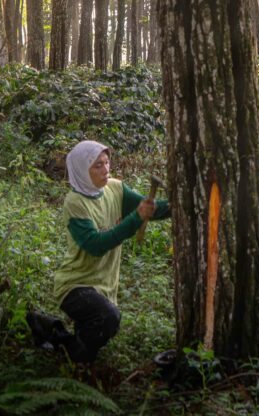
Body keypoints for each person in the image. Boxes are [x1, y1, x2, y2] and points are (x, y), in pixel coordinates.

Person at [27, 140, 170, 364]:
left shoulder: (114, 188)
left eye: (106, 162)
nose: (105, 170)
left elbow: (147, 207)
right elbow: (95, 245)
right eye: (97, 166)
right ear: (82, 171)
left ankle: (53, 331)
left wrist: (181, 202)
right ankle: (62, 344)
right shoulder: (75, 203)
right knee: (106, 319)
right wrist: (136, 218)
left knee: (98, 328)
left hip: (103, 285)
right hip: (75, 285)